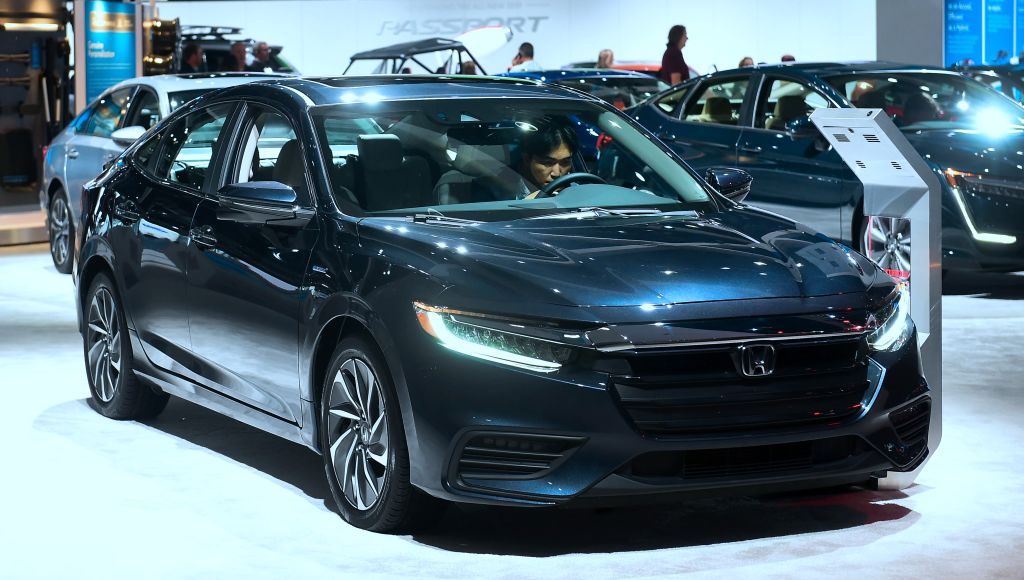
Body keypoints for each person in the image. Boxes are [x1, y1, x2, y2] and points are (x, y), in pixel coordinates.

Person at [516, 117, 578, 197]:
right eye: (548, 163)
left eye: (565, 162)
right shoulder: (505, 195)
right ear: (527, 159)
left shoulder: (578, 193)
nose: (556, 173)